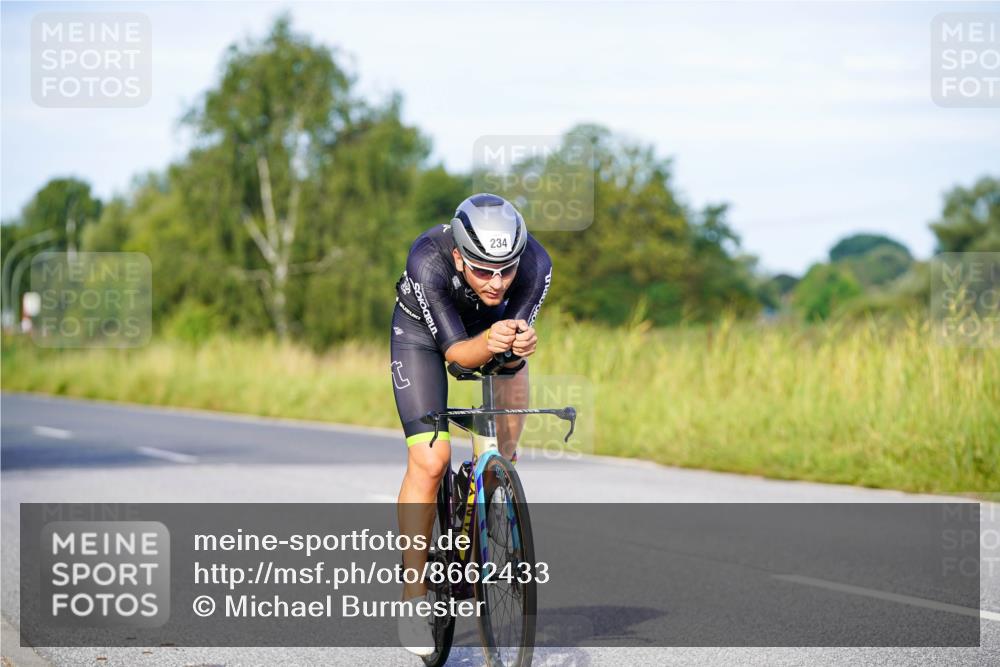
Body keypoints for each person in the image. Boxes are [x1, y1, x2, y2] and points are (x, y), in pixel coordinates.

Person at [391, 193, 552, 655]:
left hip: (489, 331)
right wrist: (491, 340)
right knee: (431, 459)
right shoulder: (428, 259)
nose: (498, 282)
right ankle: (414, 596)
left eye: (507, 268)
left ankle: (501, 474)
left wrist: (515, 343)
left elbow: (505, 349)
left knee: (514, 361)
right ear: (459, 256)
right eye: (483, 269)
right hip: (423, 336)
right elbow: (459, 357)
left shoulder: (537, 264)